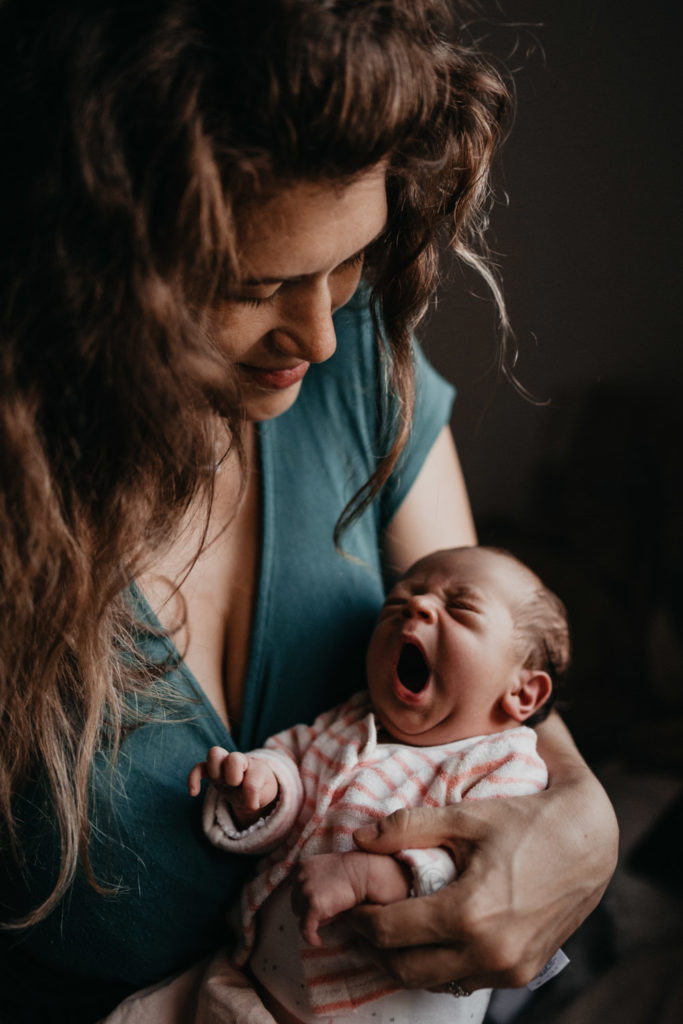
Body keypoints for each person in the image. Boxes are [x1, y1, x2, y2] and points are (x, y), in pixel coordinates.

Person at [0, 2, 618, 1023]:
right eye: (255, 283)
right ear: (91, 273)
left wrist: (582, 825)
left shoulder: (349, 357)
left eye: (347, 262)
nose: (320, 336)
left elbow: (498, 646)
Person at [186, 545, 570, 1024]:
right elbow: (293, 764)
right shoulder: (348, 721)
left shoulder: (506, 766)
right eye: (399, 600)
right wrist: (260, 790)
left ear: (522, 692)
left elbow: (483, 874)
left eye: (461, 608)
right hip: (246, 992)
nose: (417, 605)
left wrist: (368, 877)